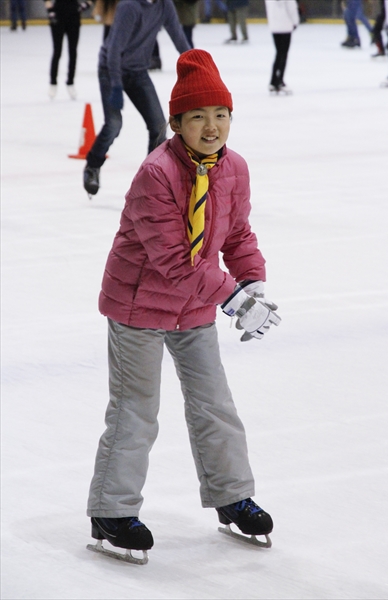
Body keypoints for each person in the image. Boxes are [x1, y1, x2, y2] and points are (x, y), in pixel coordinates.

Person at [86, 48, 281, 559]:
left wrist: (253, 281)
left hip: (193, 308)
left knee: (215, 403)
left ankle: (233, 497)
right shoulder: (157, 174)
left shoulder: (232, 167)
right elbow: (175, 262)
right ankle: (111, 509)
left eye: (221, 115)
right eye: (198, 117)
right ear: (176, 123)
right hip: (139, 307)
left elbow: (236, 233)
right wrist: (234, 299)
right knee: (136, 410)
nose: (212, 127)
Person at [83, 0, 190, 197]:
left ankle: (151, 180)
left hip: (138, 71)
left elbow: (179, 38)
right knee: (114, 124)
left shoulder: (164, 5)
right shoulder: (129, 7)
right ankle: (92, 166)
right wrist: (115, 85)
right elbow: (114, 50)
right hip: (111, 69)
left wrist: (196, 65)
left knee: (158, 126)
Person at [44, 0, 93, 100]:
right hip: (58, 16)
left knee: (73, 52)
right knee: (57, 51)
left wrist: (85, 5)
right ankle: (53, 82)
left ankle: (70, 82)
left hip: (73, 17)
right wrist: (50, 9)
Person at [265, 0, 299, 94]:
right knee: (283, 54)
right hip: (285, 26)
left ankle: (273, 81)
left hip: (274, 27)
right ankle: (279, 81)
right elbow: (291, 8)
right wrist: (295, 22)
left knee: (279, 54)